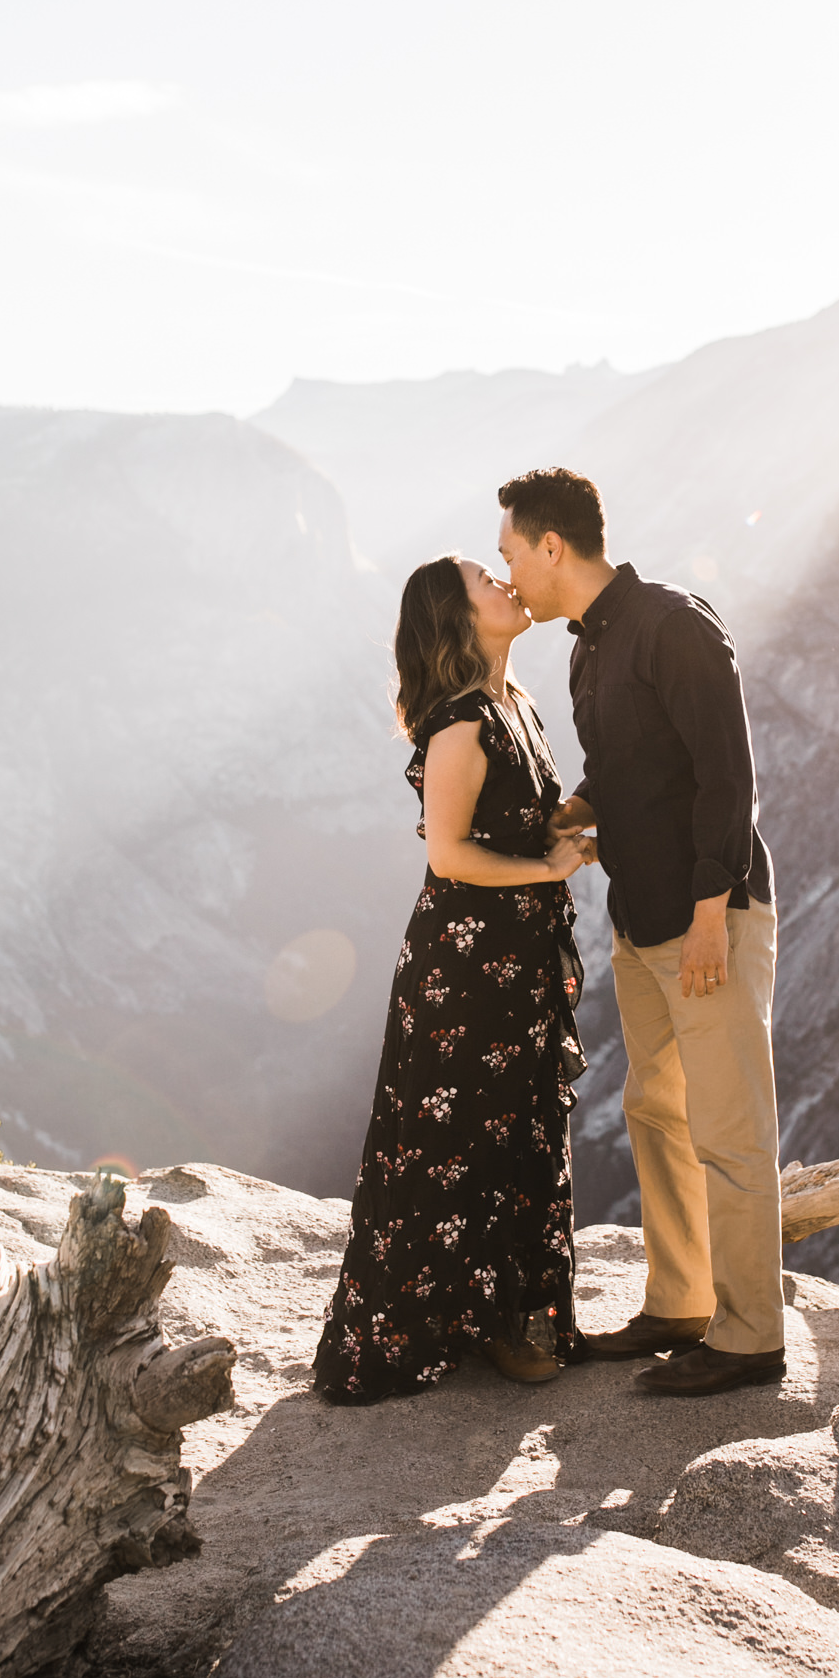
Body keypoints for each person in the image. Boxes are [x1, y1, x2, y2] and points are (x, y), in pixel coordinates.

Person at [497, 467, 784, 1398]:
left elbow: (726, 775)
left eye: (511, 554)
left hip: (707, 919)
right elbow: (625, 769)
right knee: (659, 1115)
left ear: (552, 546)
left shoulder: (672, 624)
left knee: (729, 1128)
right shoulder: (587, 649)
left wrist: (712, 911)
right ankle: (682, 1304)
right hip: (640, 918)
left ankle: (749, 1339)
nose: (509, 576)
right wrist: (565, 813)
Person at [313, 555, 595, 1405]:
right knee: (457, 1143)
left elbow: (509, 825)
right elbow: (449, 855)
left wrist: (575, 823)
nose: (506, 583)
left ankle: (501, 1315)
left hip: (517, 960)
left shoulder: (520, 706)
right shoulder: (461, 725)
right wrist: (548, 870)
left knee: (518, 1131)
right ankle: (465, 1326)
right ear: (458, 616)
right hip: (464, 972)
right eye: (486, 579)